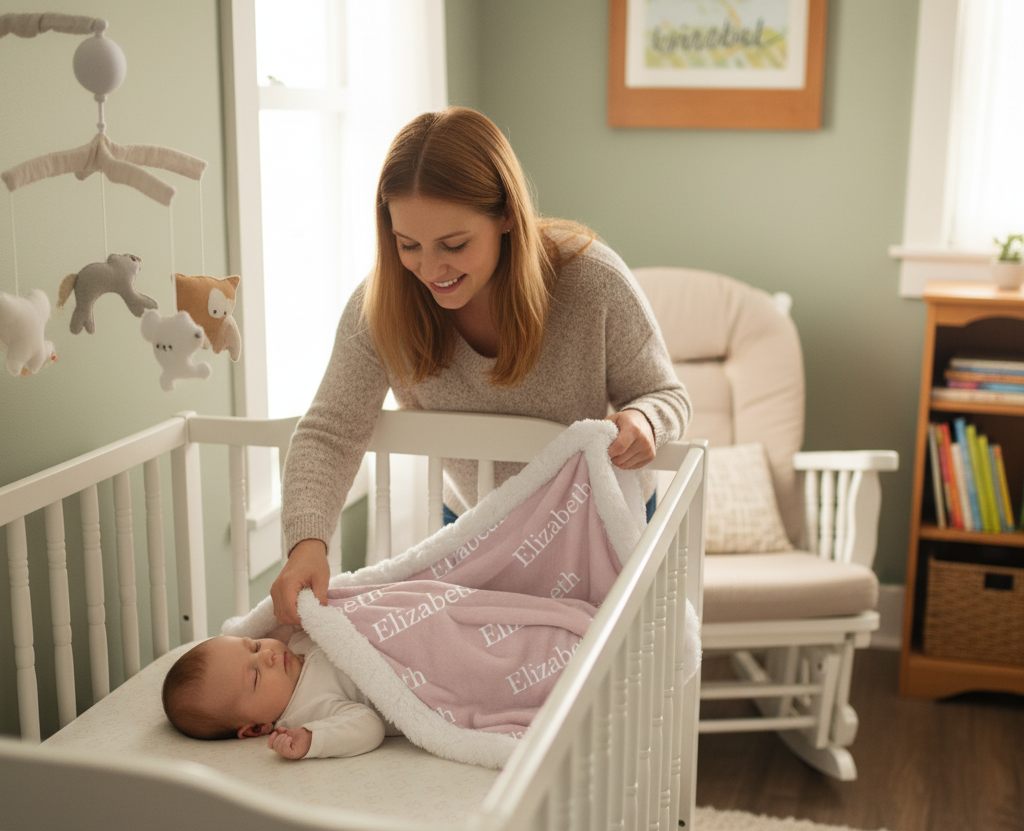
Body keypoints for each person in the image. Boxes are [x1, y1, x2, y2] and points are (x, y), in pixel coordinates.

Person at [271, 106, 691, 625]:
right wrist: (307, 543)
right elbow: (330, 429)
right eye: (408, 246)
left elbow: (667, 395)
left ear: (506, 216)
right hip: (476, 525)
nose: (430, 268)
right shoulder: (381, 304)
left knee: (603, 682)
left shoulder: (592, 282)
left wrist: (644, 422)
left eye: (454, 245)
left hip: (600, 525)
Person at [161, 626, 393, 760]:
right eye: (255, 676)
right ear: (256, 728)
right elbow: (370, 727)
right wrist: (314, 739)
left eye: (255, 646)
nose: (267, 655)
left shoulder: (297, 641)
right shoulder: (309, 707)